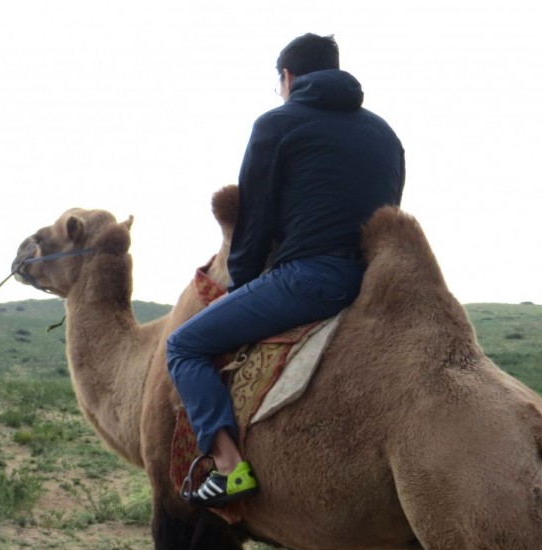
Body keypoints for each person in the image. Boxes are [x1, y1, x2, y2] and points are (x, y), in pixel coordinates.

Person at [167, 33, 406, 508]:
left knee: (184, 345)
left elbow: (254, 224)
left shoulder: (278, 123)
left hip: (308, 280)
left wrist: (242, 285)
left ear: (288, 78)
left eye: (278, 83)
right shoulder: (385, 134)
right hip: (377, 282)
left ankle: (228, 467)